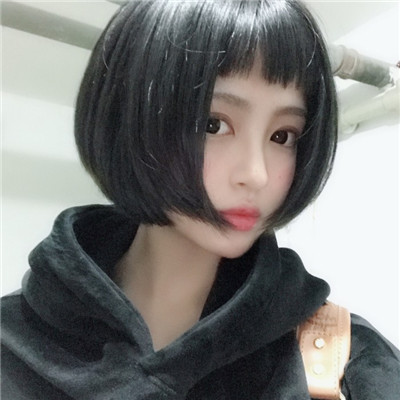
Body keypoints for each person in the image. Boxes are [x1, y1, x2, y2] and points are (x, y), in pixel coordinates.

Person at [1, 0, 399, 399]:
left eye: (283, 136)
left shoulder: (350, 363)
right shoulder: (13, 343)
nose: (256, 174)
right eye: (214, 124)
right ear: (129, 113)